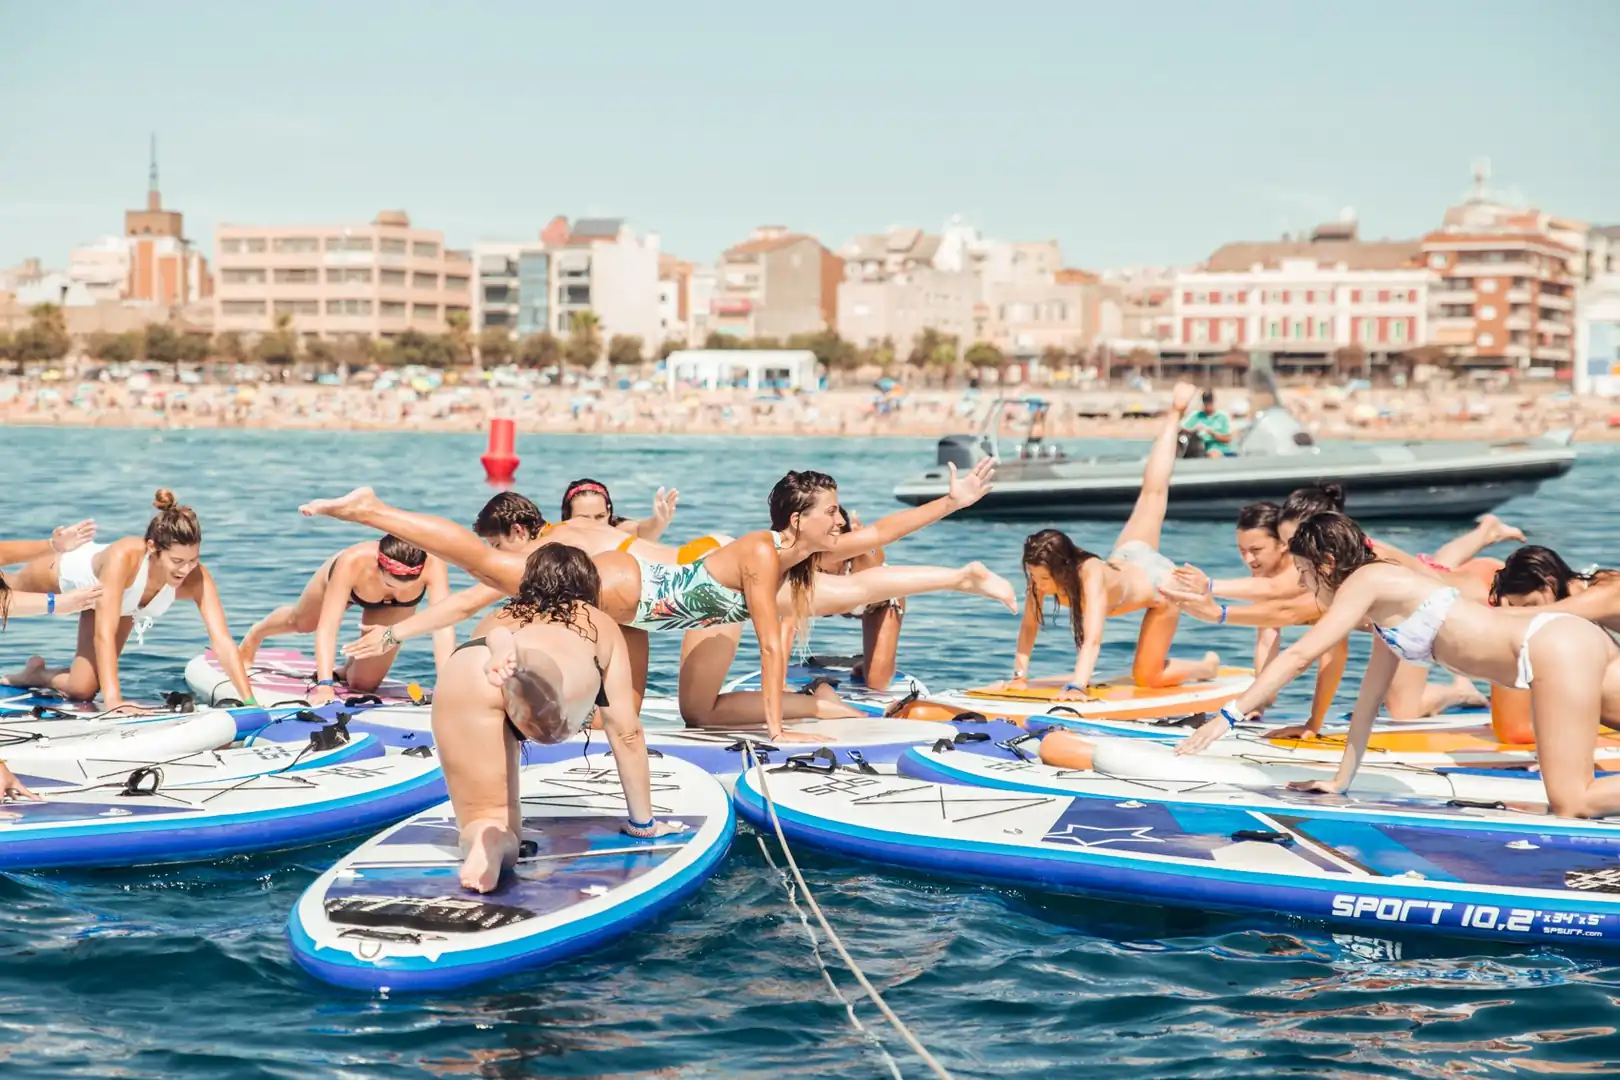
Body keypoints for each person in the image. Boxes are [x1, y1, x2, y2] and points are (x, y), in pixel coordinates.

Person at [304, 462, 1015, 739]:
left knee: (667, 714)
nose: (842, 520)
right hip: (623, 589)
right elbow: (769, 645)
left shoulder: (803, 553)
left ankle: (819, 695)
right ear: (797, 517)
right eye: (830, 510)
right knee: (491, 565)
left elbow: (884, 532)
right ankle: (373, 510)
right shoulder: (767, 556)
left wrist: (951, 503)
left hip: (654, 614)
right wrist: (772, 731)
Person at [1173, 511, 1620, 821]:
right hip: (1560, 647)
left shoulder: (1371, 578)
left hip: (1552, 647)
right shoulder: (1387, 613)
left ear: (1329, 564)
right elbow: (1368, 702)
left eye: (1307, 575)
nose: (1307, 587)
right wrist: (1340, 781)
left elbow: (1300, 653)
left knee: (1572, 802)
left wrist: (1230, 715)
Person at [433, 544, 681, 893]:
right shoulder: (600, 623)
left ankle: (487, 841)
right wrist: (644, 824)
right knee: (544, 695)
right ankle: (525, 662)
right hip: (539, 675)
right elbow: (625, 732)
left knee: (485, 817)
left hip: (467, 667)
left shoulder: (501, 613)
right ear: (589, 585)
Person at [1166, 484, 1521, 720]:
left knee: (1404, 712)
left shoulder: (1358, 566)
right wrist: (1310, 720)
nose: (1294, 551)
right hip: (1418, 618)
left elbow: (1292, 610)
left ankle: (1457, 688)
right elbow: (1295, 624)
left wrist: (1217, 605)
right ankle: (1485, 533)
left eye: (1298, 542)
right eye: (1290, 543)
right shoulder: (1324, 565)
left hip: (1483, 605)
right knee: (1438, 564)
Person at [1006, 382, 1220, 701]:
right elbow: (1028, 627)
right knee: (1152, 492)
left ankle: (1206, 668)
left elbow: (1092, 639)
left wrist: (1077, 685)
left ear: (1064, 567)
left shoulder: (1089, 574)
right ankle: (1176, 411)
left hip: (1161, 587)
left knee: (1148, 678)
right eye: (1033, 576)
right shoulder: (1041, 574)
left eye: (1043, 578)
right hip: (1128, 555)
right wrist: (1020, 677)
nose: (1038, 585)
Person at [0, 490, 255, 708]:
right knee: (7, 588)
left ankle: (35, 674)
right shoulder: (125, 557)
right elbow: (104, 635)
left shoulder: (197, 577)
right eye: (177, 561)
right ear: (153, 548)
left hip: (118, 602)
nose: (185, 570)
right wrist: (114, 701)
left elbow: (222, 640)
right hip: (65, 573)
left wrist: (249, 701)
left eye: (193, 560)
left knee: (82, 690)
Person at [237, 536, 453, 705]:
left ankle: (346, 668)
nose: (400, 589)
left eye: (407, 585)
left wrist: (447, 686)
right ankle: (256, 634)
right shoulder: (351, 562)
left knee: (362, 684)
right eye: (392, 584)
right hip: (347, 584)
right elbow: (327, 628)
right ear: (379, 566)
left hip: (397, 606)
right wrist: (324, 686)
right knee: (302, 623)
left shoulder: (434, 565)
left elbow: (442, 627)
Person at [559, 479, 680, 543]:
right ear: (567, 518)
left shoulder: (616, 533)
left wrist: (658, 522)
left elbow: (639, 531)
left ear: (608, 513)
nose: (594, 525)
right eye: (584, 518)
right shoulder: (557, 541)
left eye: (600, 517)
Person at [1181, 388, 1235, 458]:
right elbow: (1182, 428)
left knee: (1213, 454)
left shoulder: (1222, 416)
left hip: (1219, 449)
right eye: (1206, 402)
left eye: (1210, 402)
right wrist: (1194, 430)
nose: (1208, 405)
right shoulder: (1196, 416)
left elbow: (1227, 439)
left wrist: (1212, 433)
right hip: (1198, 449)